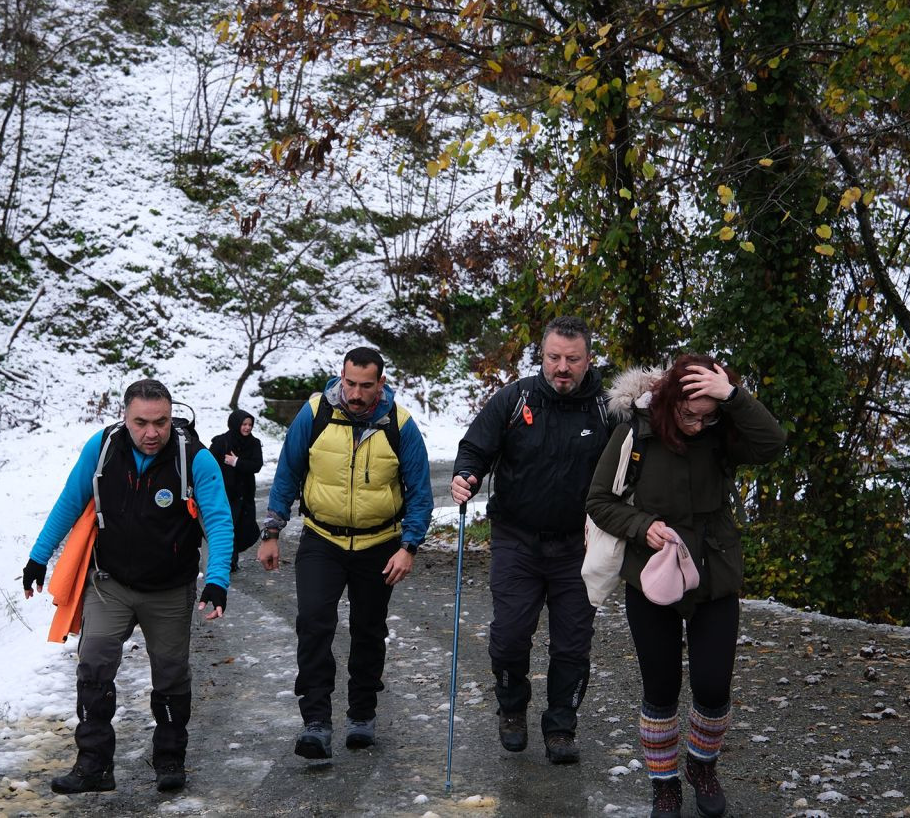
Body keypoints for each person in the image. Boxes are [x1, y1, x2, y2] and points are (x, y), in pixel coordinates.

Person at [585, 355, 785, 818]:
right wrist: (642, 525)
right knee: (661, 687)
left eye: (706, 414)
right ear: (670, 401)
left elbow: (773, 444)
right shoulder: (636, 432)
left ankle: (702, 765)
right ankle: (664, 785)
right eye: (688, 415)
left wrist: (732, 399)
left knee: (713, 687)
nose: (697, 425)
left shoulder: (723, 431)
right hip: (652, 575)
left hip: (713, 573)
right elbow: (598, 500)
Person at [21, 379, 234, 795]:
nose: (151, 433)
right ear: (125, 416)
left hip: (169, 589)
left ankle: (170, 758)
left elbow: (219, 522)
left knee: (171, 675)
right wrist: (38, 557)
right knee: (94, 664)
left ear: (172, 417)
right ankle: (94, 764)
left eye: (161, 422)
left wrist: (217, 580)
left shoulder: (195, 459)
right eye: (141, 423)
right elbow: (70, 500)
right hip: (110, 582)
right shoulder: (102, 450)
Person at [450, 316, 616, 764]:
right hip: (517, 540)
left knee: (572, 643)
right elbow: (475, 447)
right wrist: (466, 475)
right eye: (554, 358)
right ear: (542, 356)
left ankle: (561, 726)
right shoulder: (515, 398)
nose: (562, 367)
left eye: (572, 359)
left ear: (588, 359)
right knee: (508, 636)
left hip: (578, 547)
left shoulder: (606, 409)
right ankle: (511, 709)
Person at [257, 346, 433, 759]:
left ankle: (362, 715)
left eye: (365, 386)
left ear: (381, 384)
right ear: (342, 376)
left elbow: (420, 494)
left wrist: (408, 546)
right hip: (322, 539)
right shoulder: (316, 413)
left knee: (368, 629)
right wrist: (272, 530)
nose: (354, 394)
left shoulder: (400, 426)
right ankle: (315, 722)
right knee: (314, 623)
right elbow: (288, 471)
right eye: (349, 383)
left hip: (379, 544)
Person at [208, 409, 264, 572]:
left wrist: (236, 462)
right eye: (244, 424)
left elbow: (257, 465)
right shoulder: (221, 442)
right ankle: (228, 561)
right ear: (235, 424)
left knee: (244, 529)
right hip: (226, 494)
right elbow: (210, 465)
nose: (247, 428)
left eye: (250, 425)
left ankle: (231, 557)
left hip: (245, 494)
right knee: (227, 528)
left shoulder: (254, 443)